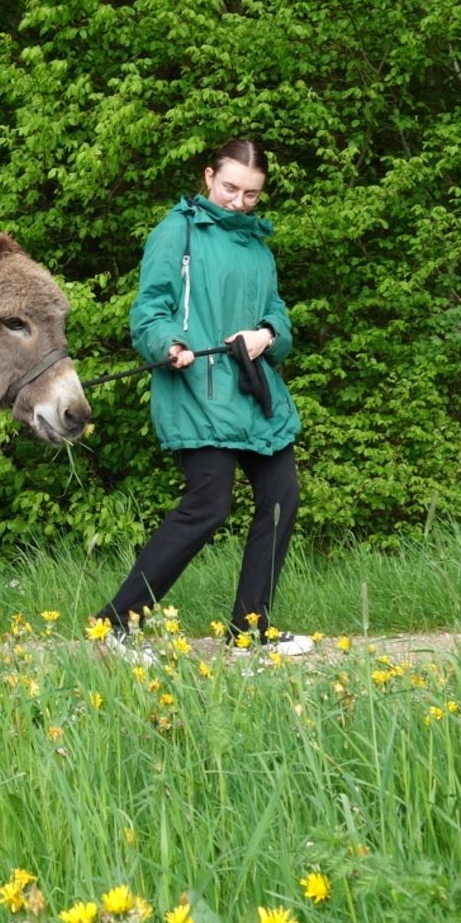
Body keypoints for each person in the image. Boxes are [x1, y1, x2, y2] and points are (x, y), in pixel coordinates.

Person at [92, 138, 312, 660]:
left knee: (282, 501)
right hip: (197, 390)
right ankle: (115, 624)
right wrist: (168, 343)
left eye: (251, 194)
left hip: (254, 393)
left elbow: (278, 315)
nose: (238, 202)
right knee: (208, 506)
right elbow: (150, 309)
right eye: (230, 188)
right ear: (209, 176)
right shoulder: (177, 231)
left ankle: (250, 631)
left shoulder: (258, 245)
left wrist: (266, 335)